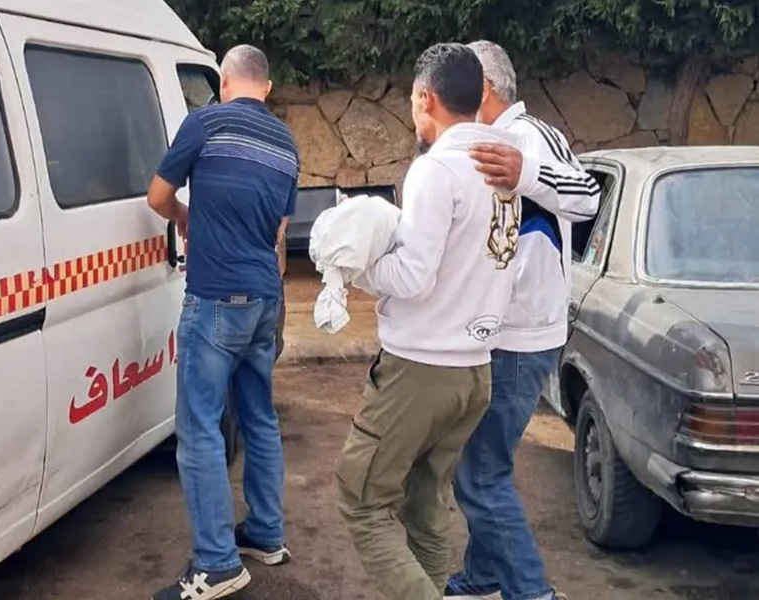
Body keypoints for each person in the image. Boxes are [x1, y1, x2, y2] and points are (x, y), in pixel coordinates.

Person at [337, 43, 521, 600]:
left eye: (413, 101)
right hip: (474, 372)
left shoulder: (437, 169)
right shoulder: (501, 165)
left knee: (363, 501)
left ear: (426, 97)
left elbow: (413, 277)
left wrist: (358, 266)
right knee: (425, 504)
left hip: (420, 369)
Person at [443, 41, 601, 600]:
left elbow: (588, 196)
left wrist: (526, 172)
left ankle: (532, 592)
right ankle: (483, 577)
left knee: (479, 475)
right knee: (485, 467)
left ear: (483, 87)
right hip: (496, 334)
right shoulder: (480, 141)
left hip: (520, 336)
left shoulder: (530, 135)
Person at [146, 44, 298, 600]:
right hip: (265, 300)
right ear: (268, 86)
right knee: (259, 418)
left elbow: (157, 196)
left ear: (225, 82)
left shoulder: (204, 123)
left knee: (199, 431)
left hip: (215, 299)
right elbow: (279, 232)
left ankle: (216, 564)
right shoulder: (286, 143)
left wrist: (185, 214)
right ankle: (266, 534)